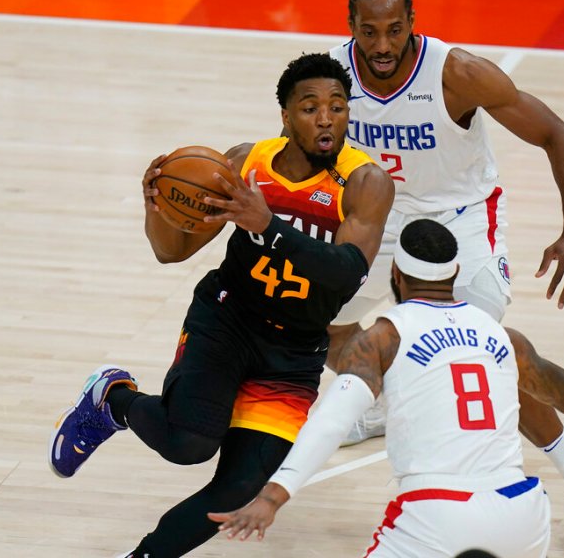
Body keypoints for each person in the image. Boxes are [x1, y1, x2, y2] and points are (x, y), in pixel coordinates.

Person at [48, 53, 395, 558]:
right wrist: (159, 209)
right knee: (188, 444)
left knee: (238, 489)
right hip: (227, 321)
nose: (326, 119)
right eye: (311, 107)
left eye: (338, 107)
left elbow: (345, 276)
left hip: (295, 349)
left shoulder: (365, 183)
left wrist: (267, 226)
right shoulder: (243, 164)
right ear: (285, 116)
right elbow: (172, 252)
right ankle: (113, 398)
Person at [324, 0, 564, 543]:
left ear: (413, 23)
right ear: (351, 28)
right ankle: (383, 403)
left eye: (394, 30)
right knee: (324, 322)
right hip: (375, 217)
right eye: (369, 32)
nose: (383, 46)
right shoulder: (329, 77)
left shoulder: (457, 74)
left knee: (486, 361)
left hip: (458, 221)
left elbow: (557, 136)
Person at [209, 219, 564, 557]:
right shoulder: (506, 339)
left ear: (396, 275)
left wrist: (271, 497)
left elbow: (333, 420)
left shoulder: (381, 338)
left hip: (436, 518)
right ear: (456, 274)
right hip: (523, 518)